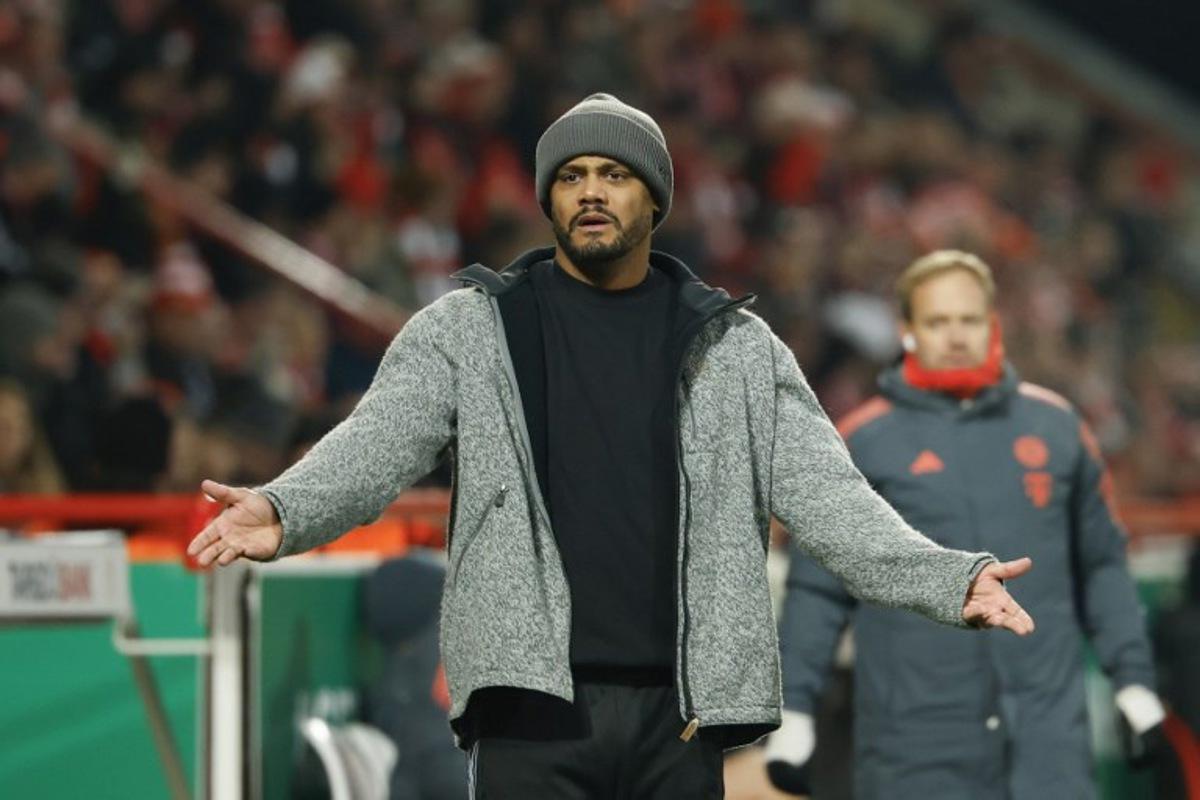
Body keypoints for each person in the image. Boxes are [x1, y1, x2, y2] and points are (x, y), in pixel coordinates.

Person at [187, 95, 1034, 798]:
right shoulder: (471, 329)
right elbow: (377, 442)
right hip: (530, 710)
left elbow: (828, 495)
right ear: (548, 198)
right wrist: (285, 509)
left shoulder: (735, 347)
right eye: (572, 176)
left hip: (681, 714)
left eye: (615, 174)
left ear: (654, 199)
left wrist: (943, 577)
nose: (591, 191)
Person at [768, 250, 1165, 799]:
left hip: (1048, 745)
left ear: (993, 323)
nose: (955, 335)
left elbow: (1103, 566)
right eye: (937, 321)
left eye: (968, 319)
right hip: (914, 747)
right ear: (907, 330)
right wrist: (794, 709)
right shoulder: (862, 442)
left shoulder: (1057, 428)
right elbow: (818, 590)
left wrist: (1134, 682)